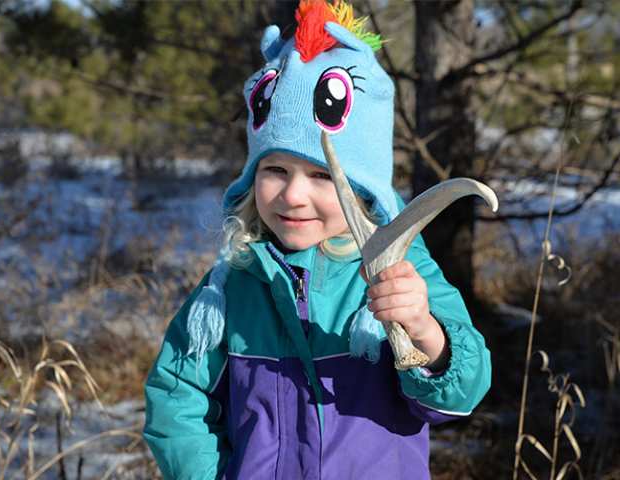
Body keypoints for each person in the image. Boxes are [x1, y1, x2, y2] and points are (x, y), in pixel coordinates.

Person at [142, 1, 491, 478]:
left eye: (324, 177)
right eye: (275, 170)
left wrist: (424, 329)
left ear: (364, 190)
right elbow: (176, 396)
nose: (293, 195)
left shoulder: (402, 274)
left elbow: (459, 396)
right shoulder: (230, 286)